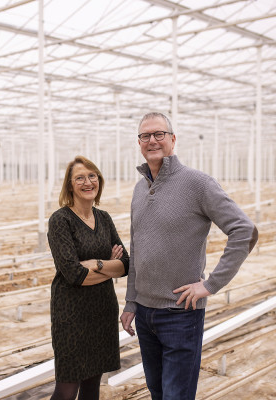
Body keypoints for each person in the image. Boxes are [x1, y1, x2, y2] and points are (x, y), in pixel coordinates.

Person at [120, 112, 258, 400]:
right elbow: (138, 248)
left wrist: (210, 285)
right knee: (157, 392)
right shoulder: (139, 189)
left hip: (180, 314)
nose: (152, 141)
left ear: (173, 139)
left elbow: (244, 230)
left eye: (159, 134)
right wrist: (131, 301)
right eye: (145, 136)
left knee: (177, 396)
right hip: (144, 314)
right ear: (139, 143)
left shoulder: (197, 183)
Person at [48, 155, 129, 400]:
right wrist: (109, 267)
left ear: (99, 180)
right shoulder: (61, 220)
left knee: (92, 386)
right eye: (79, 178)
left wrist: (96, 264)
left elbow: (126, 264)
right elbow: (73, 274)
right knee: (66, 389)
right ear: (70, 185)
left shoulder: (104, 218)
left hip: (102, 310)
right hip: (71, 314)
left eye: (91, 176)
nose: (87, 182)